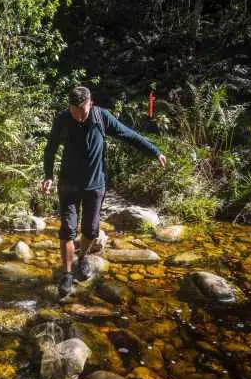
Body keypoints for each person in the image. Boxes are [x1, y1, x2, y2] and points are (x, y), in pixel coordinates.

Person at [40, 86, 167, 297]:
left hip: (95, 184)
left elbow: (129, 135)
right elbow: (51, 147)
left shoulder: (102, 117)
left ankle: (82, 258)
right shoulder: (63, 118)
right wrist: (48, 175)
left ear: (91, 103)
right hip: (68, 184)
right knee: (68, 229)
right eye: (74, 111)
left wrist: (154, 151)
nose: (79, 116)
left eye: (82, 110)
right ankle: (67, 274)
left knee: (91, 230)